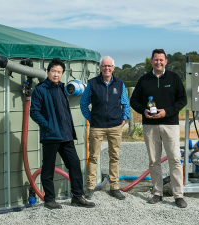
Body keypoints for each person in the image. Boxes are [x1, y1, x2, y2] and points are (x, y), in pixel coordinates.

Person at [30, 58, 95, 210]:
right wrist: (48, 126)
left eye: (59, 72)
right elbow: (34, 112)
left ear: (62, 74)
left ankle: (77, 196)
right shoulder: (40, 90)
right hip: (50, 136)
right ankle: (49, 199)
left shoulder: (62, 88)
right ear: (48, 72)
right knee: (48, 168)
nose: (56, 74)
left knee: (74, 164)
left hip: (66, 136)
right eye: (53, 71)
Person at [130, 49, 188, 208]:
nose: (158, 62)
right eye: (156, 60)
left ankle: (178, 195)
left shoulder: (174, 78)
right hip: (150, 126)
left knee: (175, 159)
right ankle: (157, 193)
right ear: (151, 61)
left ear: (166, 61)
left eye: (161, 60)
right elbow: (133, 101)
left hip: (170, 125)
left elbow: (183, 100)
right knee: (154, 161)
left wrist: (167, 112)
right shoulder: (143, 80)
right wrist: (144, 110)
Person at [80, 56, 130, 200]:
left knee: (114, 157)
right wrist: (91, 118)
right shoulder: (92, 83)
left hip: (115, 126)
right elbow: (83, 103)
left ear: (113, 68)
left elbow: (125, 103)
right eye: (104, 66)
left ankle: (114, 187)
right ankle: (90, 188)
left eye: (109, 66)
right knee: (93, 157)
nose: (106, 68)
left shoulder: (120, 84)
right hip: (97, 126)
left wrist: (125, 118)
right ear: (100, 68)